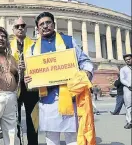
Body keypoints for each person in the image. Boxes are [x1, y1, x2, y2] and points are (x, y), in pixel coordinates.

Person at [24, 12, 94, 145]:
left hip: (70, 97)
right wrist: (29, 82)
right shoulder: (33, 50)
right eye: (41, 24)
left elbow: (85, 61)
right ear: (37, 29)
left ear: (54, 24)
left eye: (48, 22)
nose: (45, 26)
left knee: (73, 138)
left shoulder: (68, 41)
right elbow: (31, 78)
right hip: (47, 101)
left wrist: (87, 73)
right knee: (51, 140)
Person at [10, 17, 39, 145]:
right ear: (13, 29)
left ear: (26, 28)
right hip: (14, 87)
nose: (20, 28)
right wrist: (16, 67)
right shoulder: (7, 47)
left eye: (23, 26)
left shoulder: (35, 45)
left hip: (31, 87)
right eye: (17, 26)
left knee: (33, 119)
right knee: (14, 120)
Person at [120, 54, 132, 129]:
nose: (128, 60)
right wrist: (129, 85)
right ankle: (129, 122)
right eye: (126, 60)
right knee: (129, 106)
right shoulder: (123, 69)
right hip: (128, 89)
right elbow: (122, 79)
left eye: (129, 59)